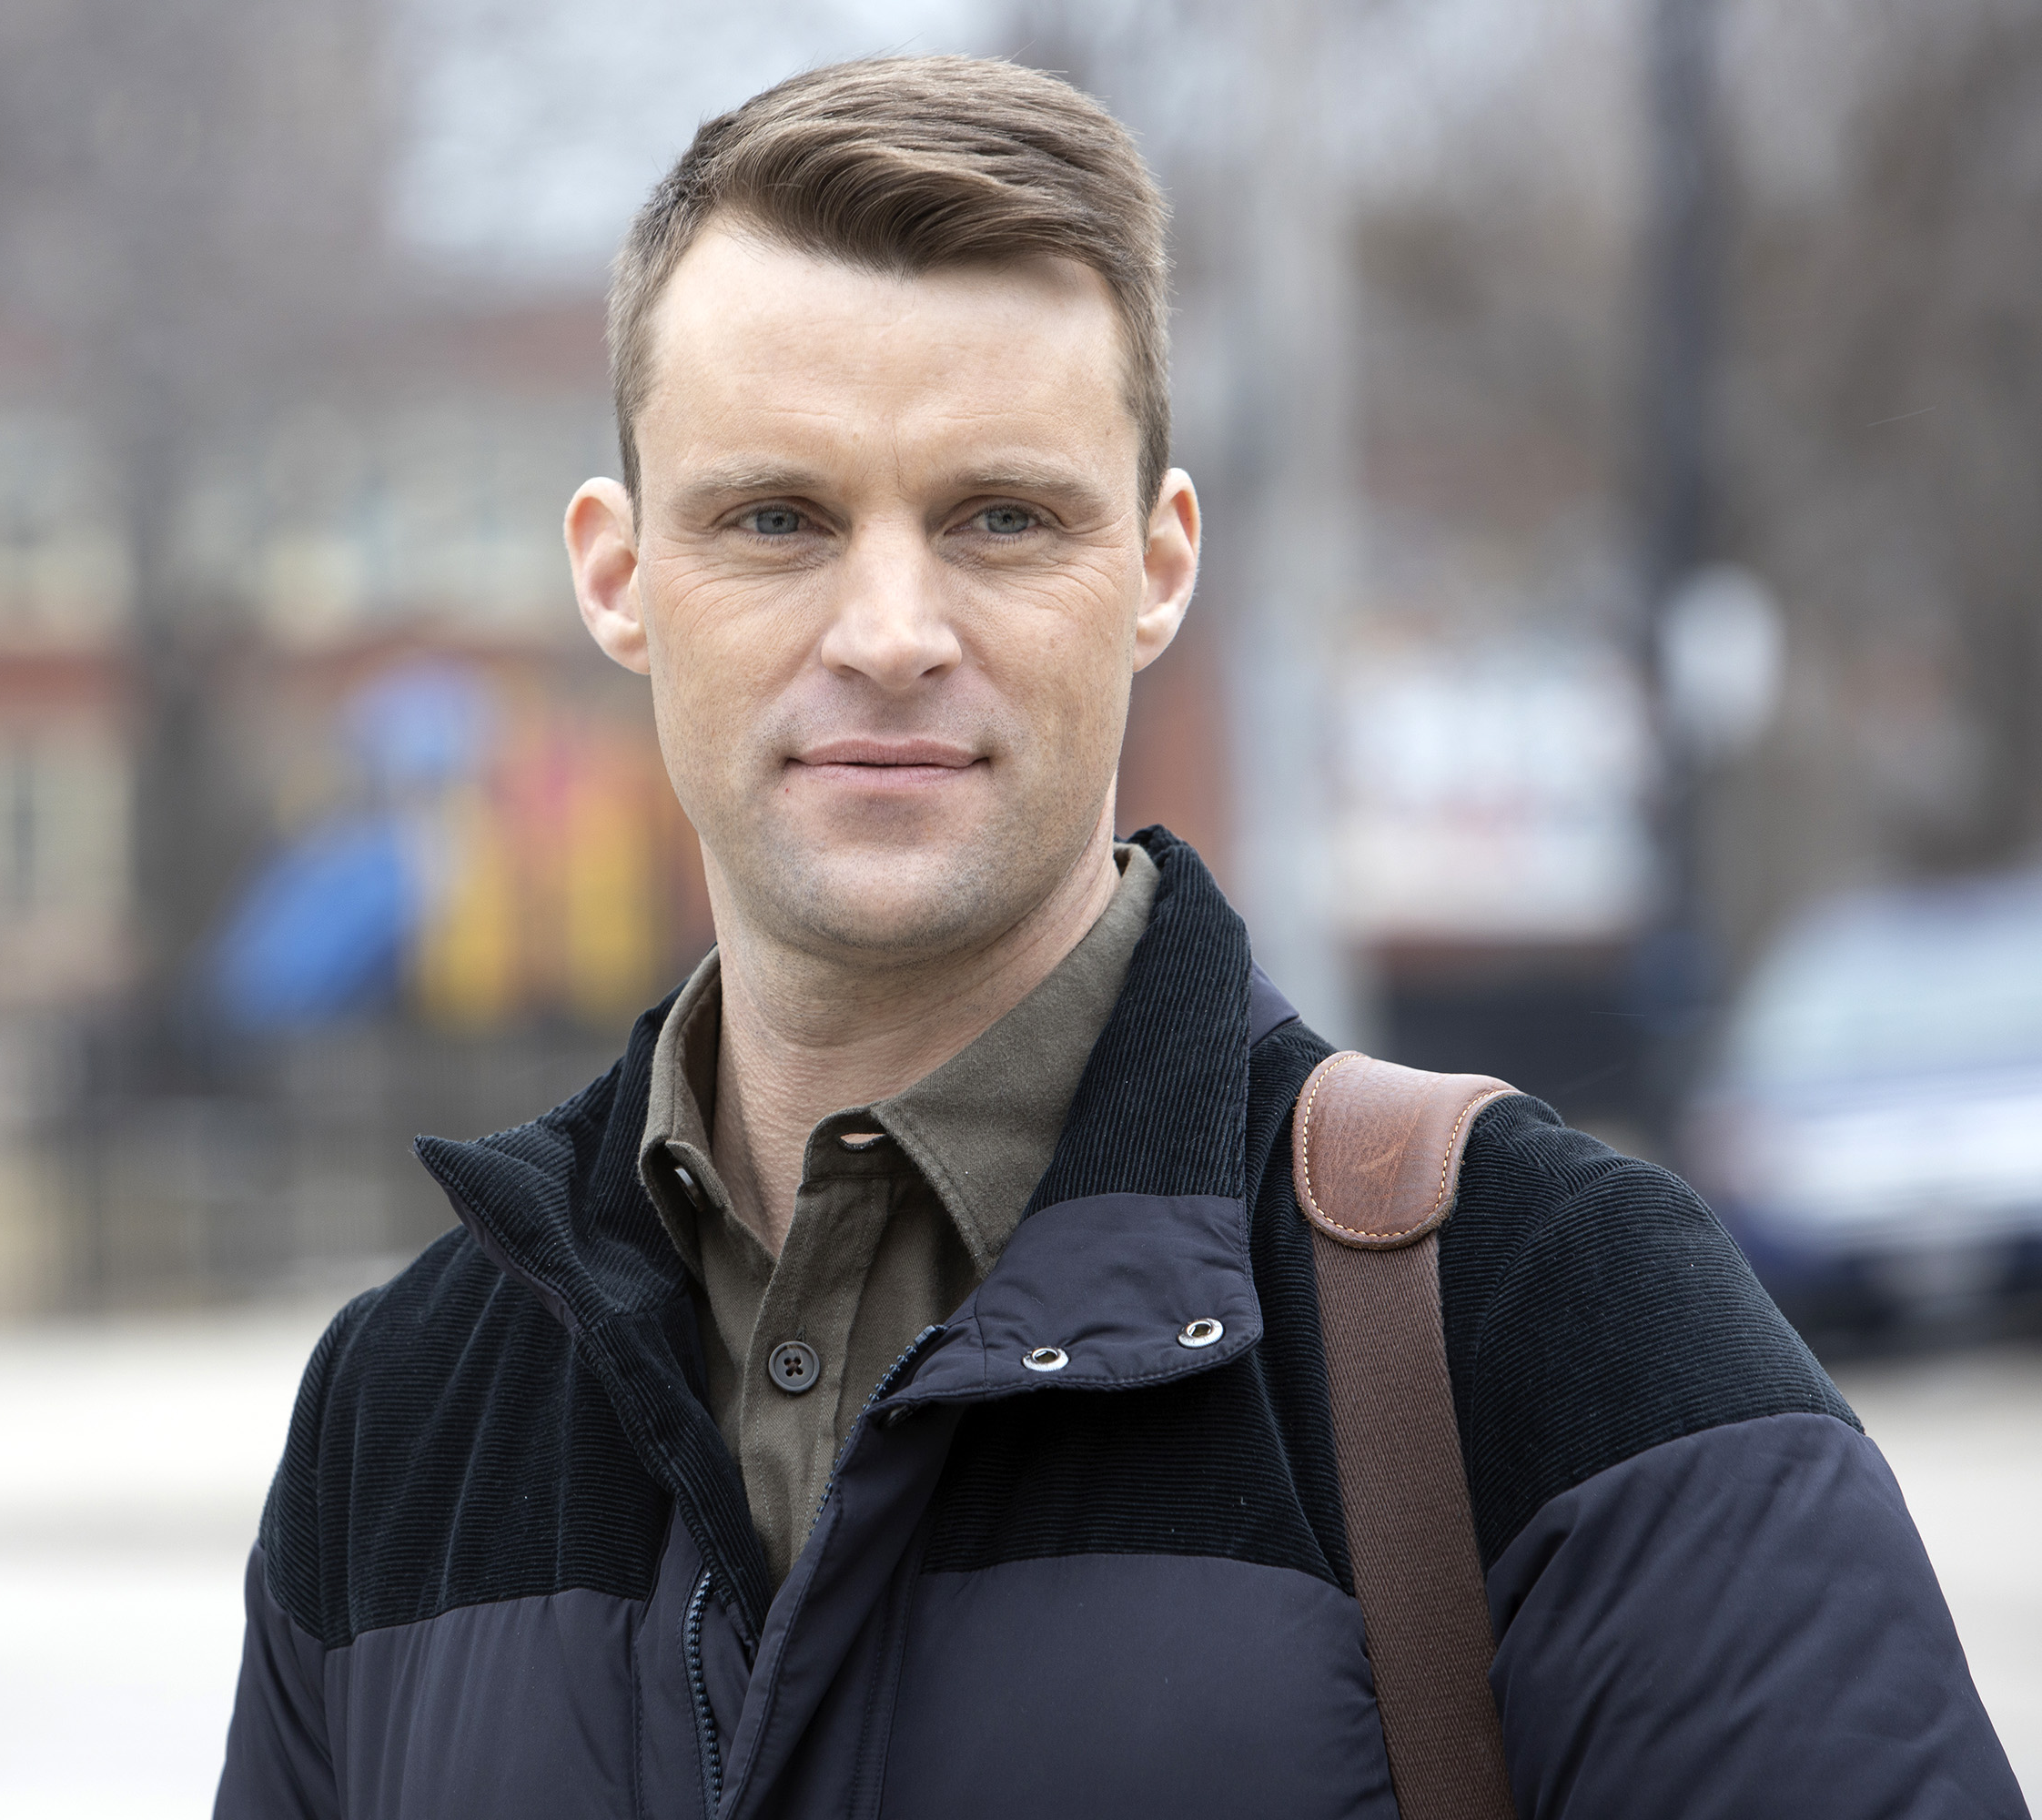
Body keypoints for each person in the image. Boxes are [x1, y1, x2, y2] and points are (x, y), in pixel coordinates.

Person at [217, 55, 2024, 1819]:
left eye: (1002, 516)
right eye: (778, 518)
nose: (894, 627)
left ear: (1160, 564)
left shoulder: (1555, 1319)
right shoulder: (400, 1418)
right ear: (617, 576)